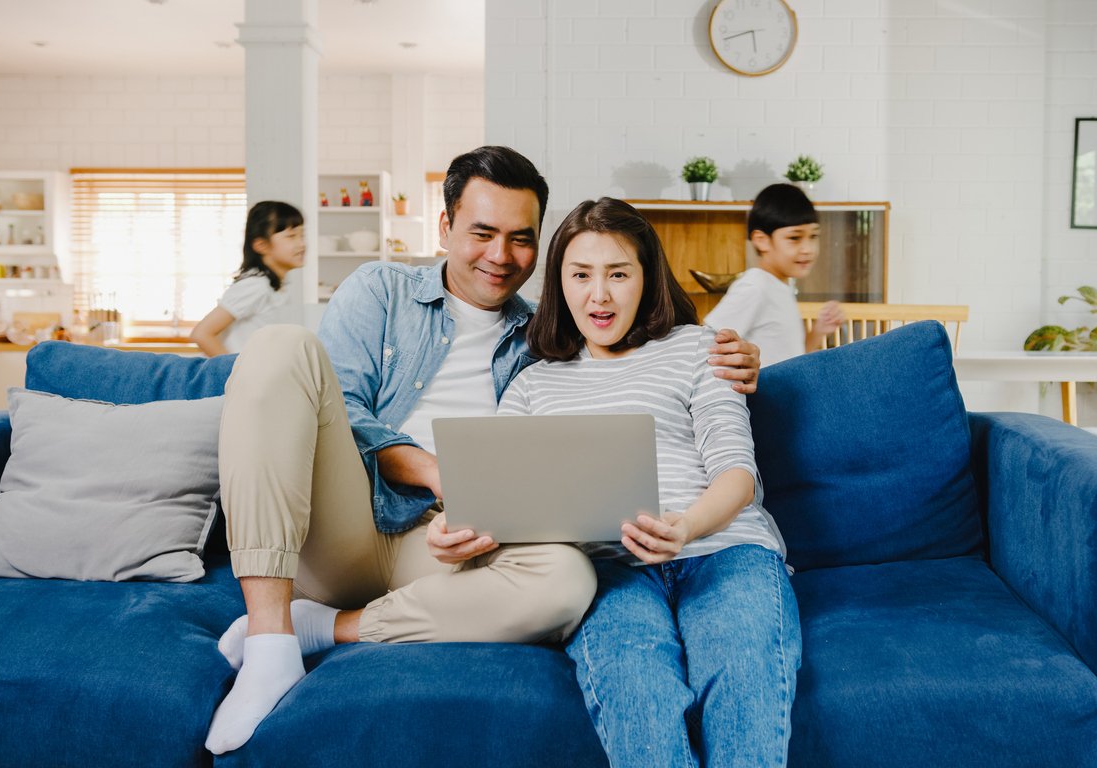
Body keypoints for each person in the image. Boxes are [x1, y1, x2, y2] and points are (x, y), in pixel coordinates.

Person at [204, 147, 764, 755]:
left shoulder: (548, 339)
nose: (501, 256)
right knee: (281, 347)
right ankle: (268, 643)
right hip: (349, 523)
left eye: (521, 239)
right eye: (482, 233)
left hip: (457, 549)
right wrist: (438, 475)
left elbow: (579, 426)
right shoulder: (381, 291)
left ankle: (320, 629)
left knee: (571, 579)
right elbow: (340, 413)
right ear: (445, 227)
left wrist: (742, 358)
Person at [498, 197, 800, 767]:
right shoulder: (531, 387)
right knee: (639, 694)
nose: (600, 294)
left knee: (743, 676)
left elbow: (737, 473)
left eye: (618, 273)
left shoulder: (700, 348)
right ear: (558, 283)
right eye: (581, 275)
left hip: (725, 551)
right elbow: (510, 504)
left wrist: (684, 526)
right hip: (608, 571)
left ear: (647, 277)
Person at [704, 183, 844, 365]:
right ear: (762, 241)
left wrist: (818, 331)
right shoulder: (755, 286)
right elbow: (706, 344)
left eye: (813, 236)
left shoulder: (779, 286)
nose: (807, 249)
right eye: (794, 238)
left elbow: (792, 360)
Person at [191, 201, 304, 357]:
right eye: (291, 236)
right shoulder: (255, 285)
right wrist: (235, 373)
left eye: (302, 235)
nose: (302, 244)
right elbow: (202, 333)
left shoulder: (274, 287)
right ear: (261, 245)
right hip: (239, 379)